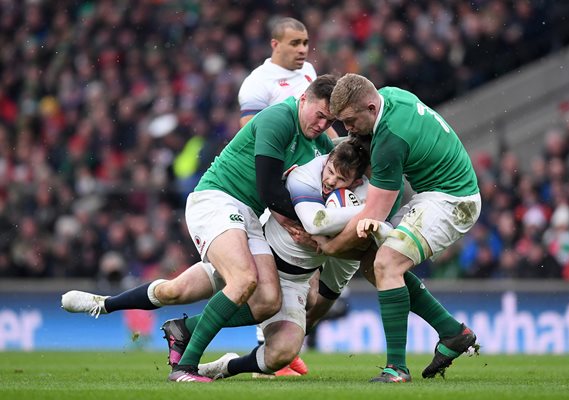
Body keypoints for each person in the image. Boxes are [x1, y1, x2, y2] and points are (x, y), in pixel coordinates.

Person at [62, 74, 338, 383]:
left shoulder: (320, 143)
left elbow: (335, 169)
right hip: (216, 200)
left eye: (330, 120)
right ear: (304, 100)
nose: (322, 125)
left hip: (248, 216)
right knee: (243, 279)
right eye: (320, 115)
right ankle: (185, 368)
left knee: (263, 302)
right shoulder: (278, 118)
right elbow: (271, 191)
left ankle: (112, 306)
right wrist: (311, 227)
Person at [315, 73, 482, 383]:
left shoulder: (391, 138)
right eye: (343, 122)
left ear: (369, 107)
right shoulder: (389, 95)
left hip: (452, 201)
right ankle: (453, 333)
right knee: (370, 266)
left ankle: (397, 369)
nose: (347, 129)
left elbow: (372, 216)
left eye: (351, 120)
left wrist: (329, 248)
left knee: (387, 263)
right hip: (434, 194)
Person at [186, 137, 370, 379]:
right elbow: (315, 223)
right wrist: (338, 232)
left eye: (341, 179)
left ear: (356, 182)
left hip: (296, 275)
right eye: (331, 172)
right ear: (326, 162)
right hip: (262, 251)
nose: (331, 181)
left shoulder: (362, 194)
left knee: (282, 350)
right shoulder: (305, 176)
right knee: (179, 291)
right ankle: (182, 341)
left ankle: (225, 366)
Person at [238, 16, 337, 376]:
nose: (302, 50)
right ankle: (272, 350)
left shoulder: (310, 73)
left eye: (306, 42)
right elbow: (255, 141)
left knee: (308, 291)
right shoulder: (256, 85)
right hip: (277, 191)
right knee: (272, 285)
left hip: (305, 186)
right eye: (294, 43)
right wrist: (282, 209)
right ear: (274, 44)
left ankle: (279, 348)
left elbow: (319, 129)